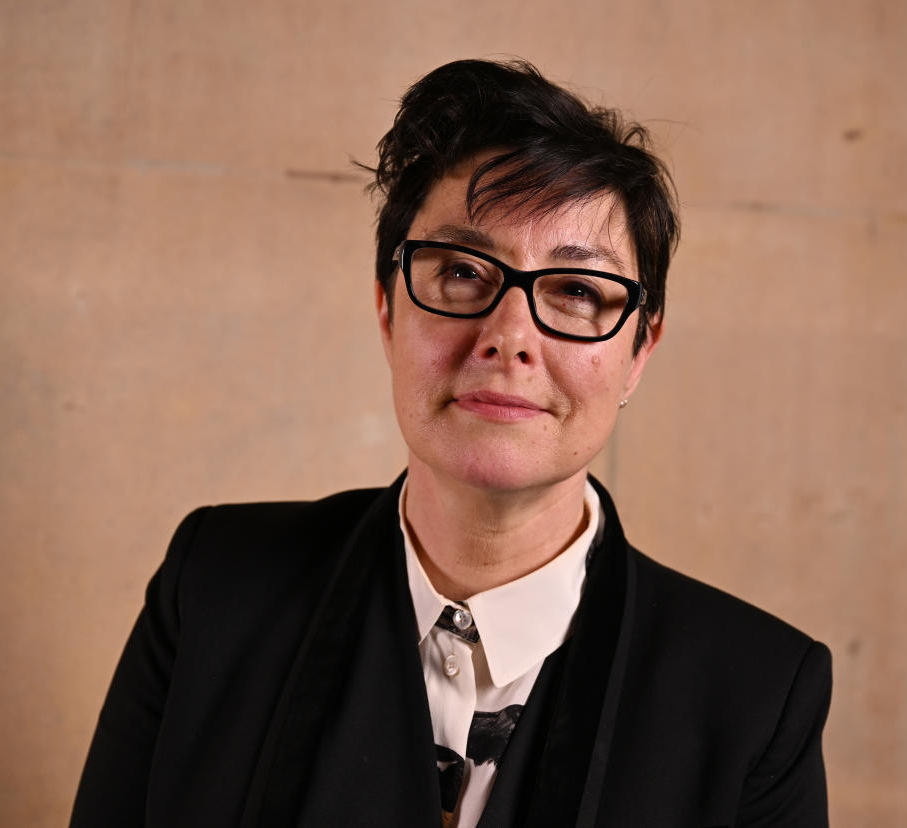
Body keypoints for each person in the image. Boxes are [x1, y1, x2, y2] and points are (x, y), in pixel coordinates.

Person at [70, 58, 831, 828]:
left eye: (575, 290)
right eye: (463, 271)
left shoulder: (757, 695)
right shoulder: (214, 590)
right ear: (386, 307)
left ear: (641, 347)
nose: (509, 337)